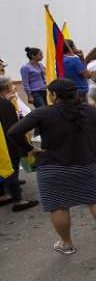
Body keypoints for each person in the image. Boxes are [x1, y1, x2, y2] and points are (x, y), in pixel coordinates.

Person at [8, 78, 96, 254]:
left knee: (58, 205)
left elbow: (14, 132)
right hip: (86, 163)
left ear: (54, 95)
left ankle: (66, 243)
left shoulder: (42, 113)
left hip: (52, 167)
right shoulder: (90, 110)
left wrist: (30, 149)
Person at [0, 76, 38, 212]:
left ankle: (2, 195)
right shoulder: (5, 105)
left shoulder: (5, 102)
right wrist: (26, 147)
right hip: (6, 143)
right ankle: (18, 200)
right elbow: (12, 130)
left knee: (2, 167)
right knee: (11, 170)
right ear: (6, 88)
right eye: (11, 85)